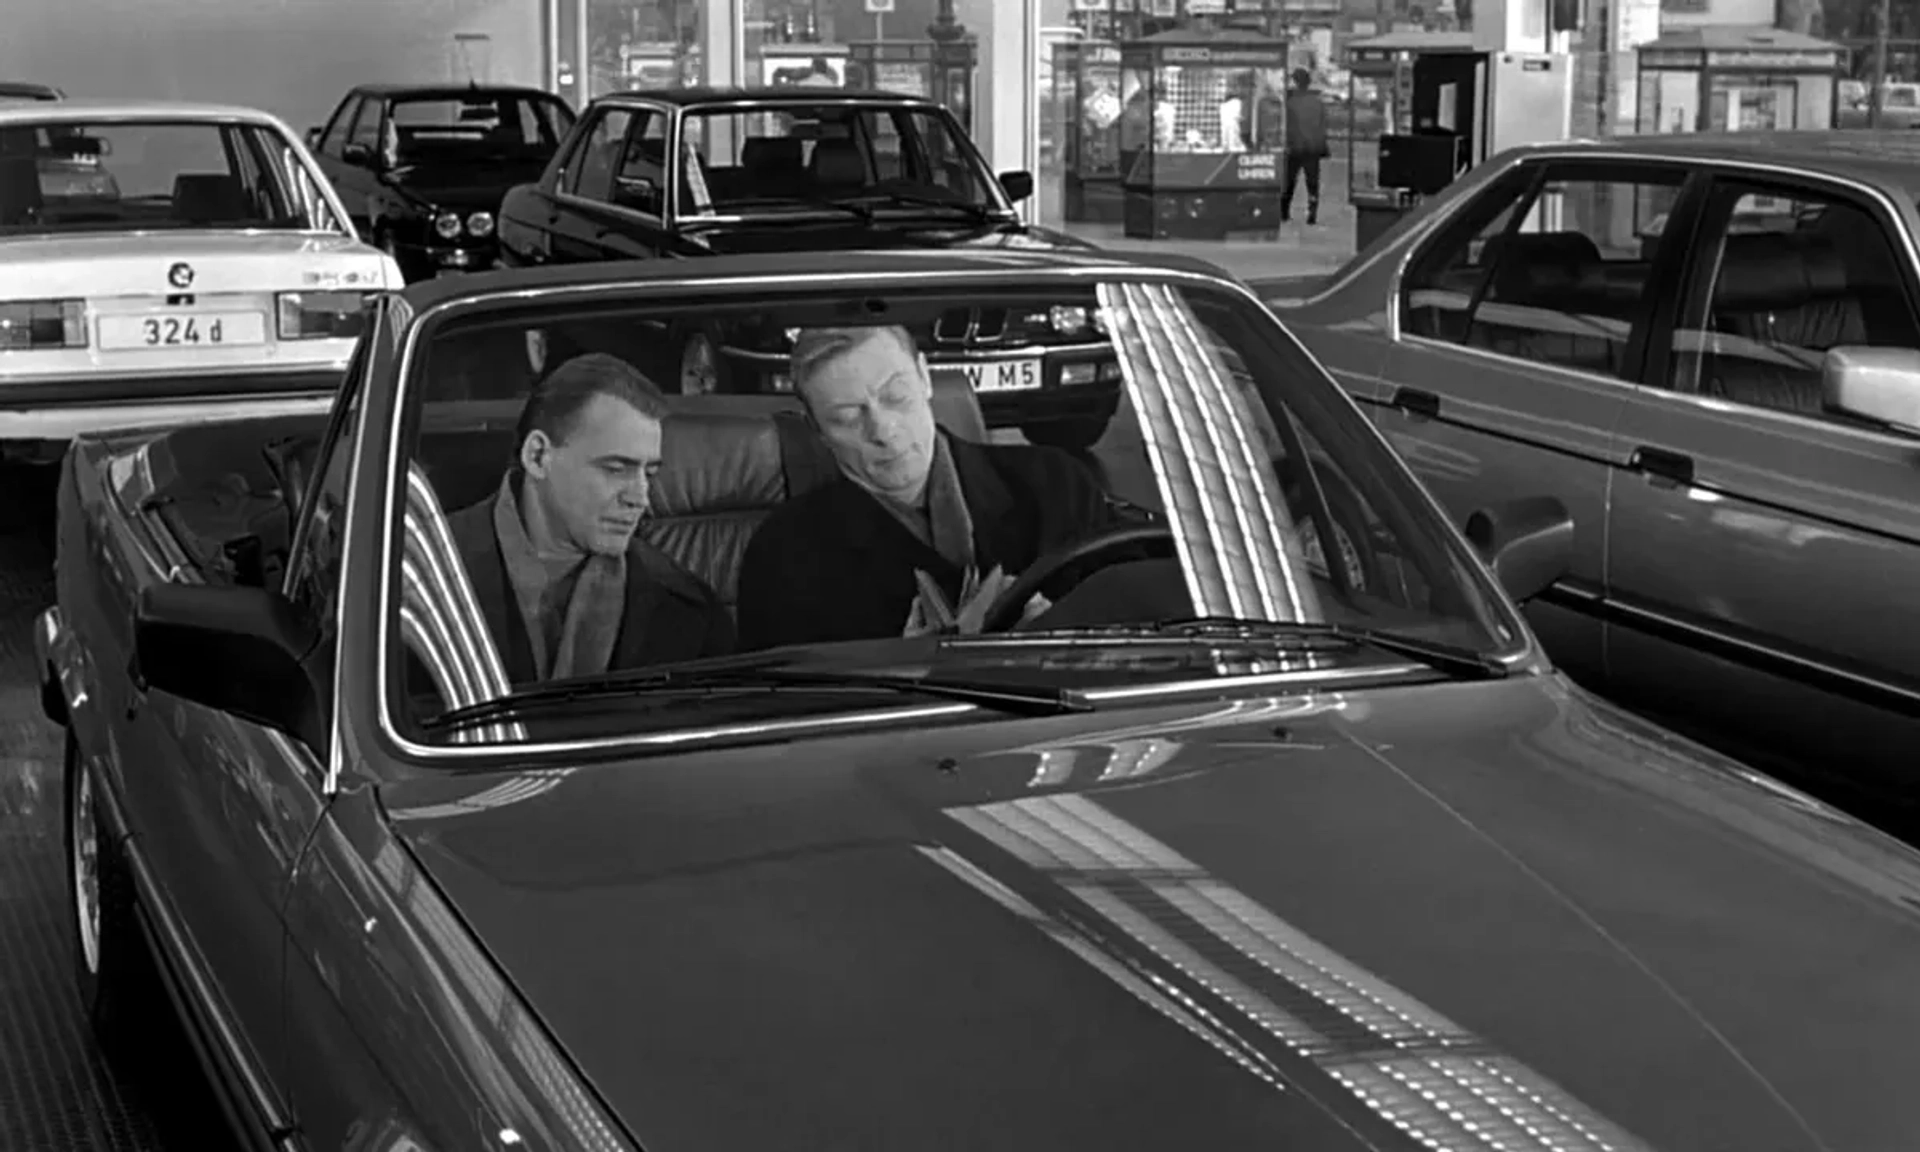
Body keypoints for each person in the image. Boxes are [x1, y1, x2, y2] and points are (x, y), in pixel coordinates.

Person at [734, 325, 1123, 650]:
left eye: (896, 396)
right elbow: (782, 713)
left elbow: (1140, 621)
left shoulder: (1056, 483)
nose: (884, 431)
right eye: (847, 418)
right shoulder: (784, 554)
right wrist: (897, 671)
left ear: (925, 377)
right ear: (817, 430)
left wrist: (1064, 628)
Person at [447, 352, 734, 685]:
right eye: (615, 469)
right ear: (538, 456)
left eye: (649, 473)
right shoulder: (410, 577)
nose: (640, 499)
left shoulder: (688, 609)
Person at [1281, 68, 1330, 226]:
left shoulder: (1290, 103)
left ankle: (1284, 211)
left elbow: (1287, 126)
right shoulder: (1318, 103)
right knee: (1313, 182)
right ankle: (1312, 212)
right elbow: (1322, 126)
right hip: (1313, 148)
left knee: (1289, 180)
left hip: (1295, 147)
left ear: (1295, 82)